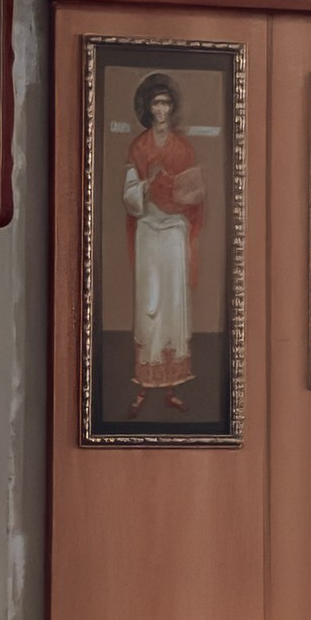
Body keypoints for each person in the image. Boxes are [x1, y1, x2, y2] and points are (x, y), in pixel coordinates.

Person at [124, 73, 206, 411]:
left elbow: (196, 191)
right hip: (148, 228)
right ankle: (144, 384)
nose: (161, 109)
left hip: (173, 229)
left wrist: (174, 186)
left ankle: (172, 385)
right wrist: (147, 185)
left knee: (173, 301)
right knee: (150, 303)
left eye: (166, 104)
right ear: (148, 108)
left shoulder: (183, 147)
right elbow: (128, 194)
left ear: (172, 108)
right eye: (156, 104)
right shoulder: (139, 147)